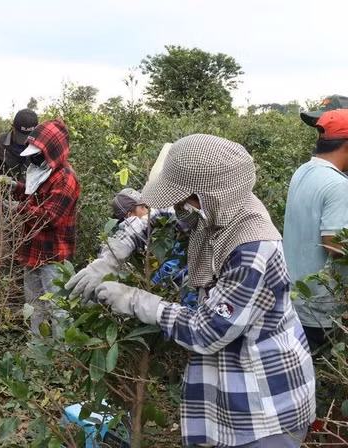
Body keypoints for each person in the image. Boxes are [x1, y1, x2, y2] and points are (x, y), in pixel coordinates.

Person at [93, 134, 315, 447]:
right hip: (228, 390)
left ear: (208, 195)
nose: (179, 205)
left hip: (264, 406)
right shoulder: (224, 207)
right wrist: (111, 256)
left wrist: (137, 301)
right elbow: (157, 219)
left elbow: (208, 331)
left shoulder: (251, 247)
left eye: (185, 197)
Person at [284, 108, 348, 352]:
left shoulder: (303, 171)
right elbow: (335, 245)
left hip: (297, 298)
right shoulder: (338, 185)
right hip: (322, 307)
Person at [13, 119, 80, 338]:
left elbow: (50, 217)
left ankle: (63, 358)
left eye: (38, 153)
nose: (34, 157)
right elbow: (35, 195)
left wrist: (19, 208)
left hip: (54, 257)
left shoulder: (66, 178)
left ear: (51, 151)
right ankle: (38, 352)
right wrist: (16, 189)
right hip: (33, 252)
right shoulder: (42, 170)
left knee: (58, 309)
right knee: (34, 305)